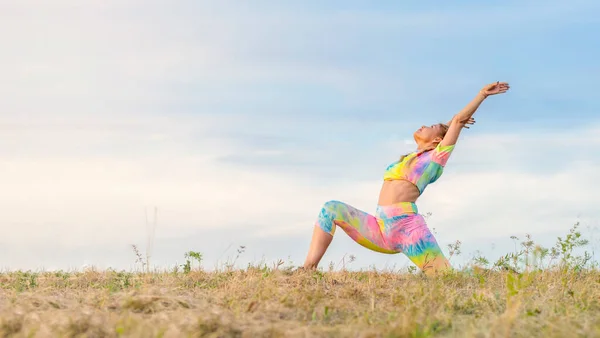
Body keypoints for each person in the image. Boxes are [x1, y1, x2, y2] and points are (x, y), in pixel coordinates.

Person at [302, 81, 510, 275]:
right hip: (381, 227)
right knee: (331, 209)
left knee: (445, 277)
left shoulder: (435, 158)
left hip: (408, 229)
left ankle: (493, 274)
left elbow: (456, 121)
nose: (423, 125)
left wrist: (482, 95)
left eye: (430, 126)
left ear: (437, 140)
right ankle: (308, 270)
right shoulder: (412, 158)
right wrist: (452, 124)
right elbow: (449, 125)